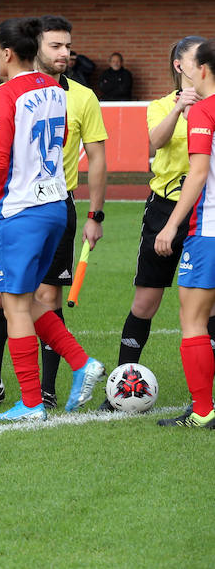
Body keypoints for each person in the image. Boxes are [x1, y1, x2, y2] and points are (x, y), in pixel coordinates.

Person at [0, 16, 108, 409]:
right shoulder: (57, 90)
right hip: (56, 206)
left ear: (7, 53)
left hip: (20, 211)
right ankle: (81, 362)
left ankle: (29, 403)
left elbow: (0, 160)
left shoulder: (5, 95)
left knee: (14, 302)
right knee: (30, 298)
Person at [110, 36, 215, 385]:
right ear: (179, 66)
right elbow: (156, 141)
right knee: (145, 302)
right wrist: (178, 109)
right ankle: (123, 383)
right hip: (164, 208)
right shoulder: (160, 105)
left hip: (205, 210)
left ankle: (204, 394)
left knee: (205, 307)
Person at [153, 39, 215, 427]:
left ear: (204, 69)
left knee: (192, 320)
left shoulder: (204, 111)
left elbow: (197, 172)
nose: (183, 71)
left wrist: (171, 225)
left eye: (187, 66)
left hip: (209, 231)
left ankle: (203, 411)